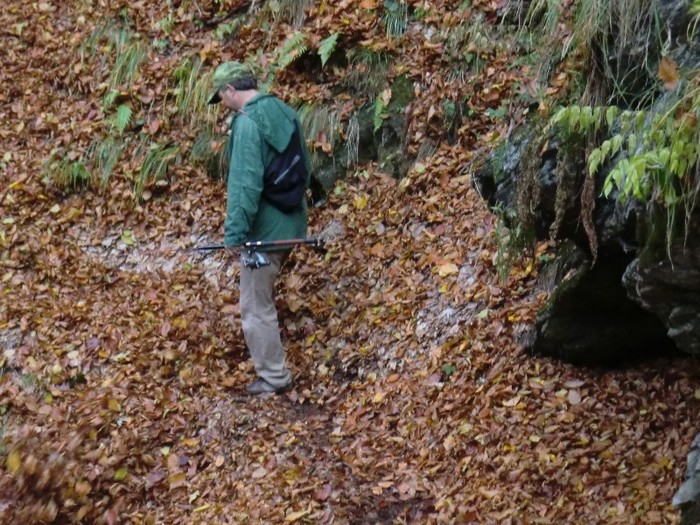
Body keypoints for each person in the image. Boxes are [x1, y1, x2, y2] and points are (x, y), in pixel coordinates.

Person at [208, 61, 311, 395]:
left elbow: (244, 186)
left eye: (220, 97)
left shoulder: (247, 123)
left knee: (255, 305)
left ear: (229, 90)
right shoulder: (284, 110)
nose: (222, 104)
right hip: (291, 222)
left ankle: (274, 377)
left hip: (264, 233)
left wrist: (235, 235)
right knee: (262, 299)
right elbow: (305, 167)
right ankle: (274, 371)